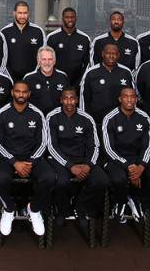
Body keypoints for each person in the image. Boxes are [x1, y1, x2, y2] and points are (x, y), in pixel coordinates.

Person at [101, 87, 150, 244]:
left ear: (136, 99)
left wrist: (142, 166)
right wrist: (130, 167)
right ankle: (121, 201)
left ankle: (139, 201)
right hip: (117, 160)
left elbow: (149, 145)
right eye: (126, 97)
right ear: (120, 99)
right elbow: (108, 148)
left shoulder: (144, 117)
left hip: (140, 160)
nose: (130, 100)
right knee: (118, 179)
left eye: (133, 97)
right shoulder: (110, 118)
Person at [0, 81, 55, 237]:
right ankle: (9, 208)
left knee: (50, 177)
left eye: (24, 92)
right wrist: (14, 162)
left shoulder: (37, 113)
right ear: (12, 92)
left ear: (29, 94)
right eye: (18, 91)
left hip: (32, 157)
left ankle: (34, 208)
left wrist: (30, 162)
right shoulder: (2, 113)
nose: (21, 94)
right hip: (8, 158)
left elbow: (44, 142)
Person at [46, 88, 108, 226]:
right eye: (66, 98)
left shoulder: (87, 118)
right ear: (61, 100)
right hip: (60, 160)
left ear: (77, 100)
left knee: (102, 181)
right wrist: (70, 166)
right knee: (61, 182)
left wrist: (88, 165)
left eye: (72, 98)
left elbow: (95, 146)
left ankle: (81, 207)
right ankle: (62, 210)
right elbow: (51, 146)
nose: (69, 101)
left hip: (83, 159)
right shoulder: (52, 117)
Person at [79, 43, 134, 124]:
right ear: (103, 54)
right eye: (108, 53)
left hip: (121, 121)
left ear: (118, 55)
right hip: (97, 121)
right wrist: (85, 121)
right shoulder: (91, 73)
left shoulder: (126, 72)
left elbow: (133, 98)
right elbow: (84, 100)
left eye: (114, 54)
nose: (111, 56)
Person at [46, 7, 91, 87]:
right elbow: (47, 62)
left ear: (76, 18)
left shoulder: (84, 38)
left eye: (72, 17)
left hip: (78, 84)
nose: (70, 20)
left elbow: (88, 63)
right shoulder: (52, 37)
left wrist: (79, 83)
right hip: (56, 82)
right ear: (63, 18)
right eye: (67, 17)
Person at [1, 1, 46, 82]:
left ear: (29, 13)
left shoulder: (38, 31)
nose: (22, 16)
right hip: (10, 79)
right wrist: (9, 78)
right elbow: (2, 58)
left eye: (25, 13)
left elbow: (42, 57)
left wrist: (33, 76)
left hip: (33, 79)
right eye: (20, 13)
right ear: (14, 13)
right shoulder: (4, 32)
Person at [24, 46, 70, 114]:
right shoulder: (29, 79)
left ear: (54, 61)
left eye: (50, 59)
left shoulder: (63, 77)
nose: (47, 63)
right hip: (35, 120)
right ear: (38, 61)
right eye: (44, 59)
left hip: (58, 120)